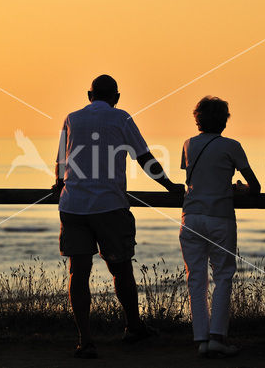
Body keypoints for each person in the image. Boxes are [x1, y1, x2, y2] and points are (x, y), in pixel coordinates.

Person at [53, 74, 185, 359]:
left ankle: (85, 340)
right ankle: (133, 326)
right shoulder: (121, 118)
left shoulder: (71, 118)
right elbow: (144, 158)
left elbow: (61, 162)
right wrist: (169, 186)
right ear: (116, 98)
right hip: (109, 204)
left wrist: (59, 184)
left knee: (78, 272)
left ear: (90, 95)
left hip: (73, 205)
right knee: (121, 268)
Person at [179, 96, 260, 358]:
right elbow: (255, 187)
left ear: (197, 119)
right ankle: (218, 337)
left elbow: (195, 177)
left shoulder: (188, 144)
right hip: (220, 217)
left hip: (190, 217)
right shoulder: (232, 146)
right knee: (223, 276)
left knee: (196, 278)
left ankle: (201, 338)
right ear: (224, 120)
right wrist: (240, 189)